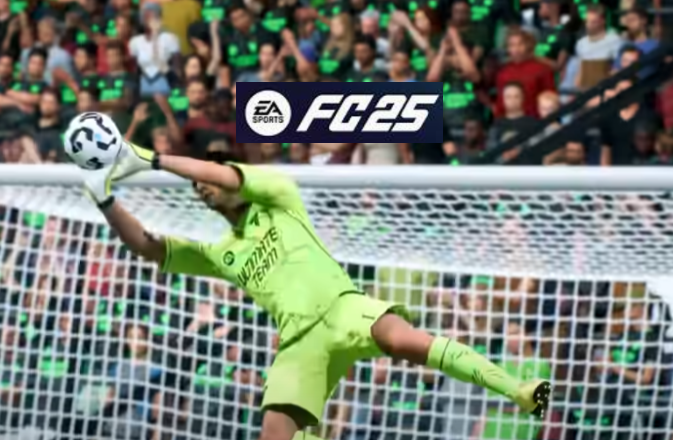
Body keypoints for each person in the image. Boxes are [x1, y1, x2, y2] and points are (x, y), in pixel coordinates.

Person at [76, 128, 552, 440]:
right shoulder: (221, 252)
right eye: (197, 187)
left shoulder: (278, 197)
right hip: (298, 343)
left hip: (344, 307)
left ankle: (519, 390)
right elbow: (148, 246)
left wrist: (150, 158)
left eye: (208, 179)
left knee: (403, 340)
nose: (201, 187)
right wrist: (104, 199)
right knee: (276, 432)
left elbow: (223, 174)